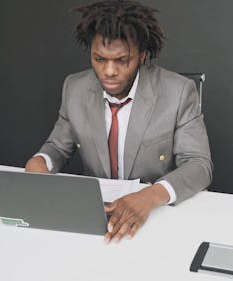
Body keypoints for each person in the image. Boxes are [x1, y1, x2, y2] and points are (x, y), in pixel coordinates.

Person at [25, 0, 212, 243]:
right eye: (99, 59)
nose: (109, 71)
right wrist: (41, 161)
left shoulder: (178, 92)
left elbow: (199, 165)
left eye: (122, 60)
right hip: (96, 218)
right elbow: (58, 146)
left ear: (141, 56)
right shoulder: (75, 88)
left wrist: (150, 196)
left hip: (156, 217)